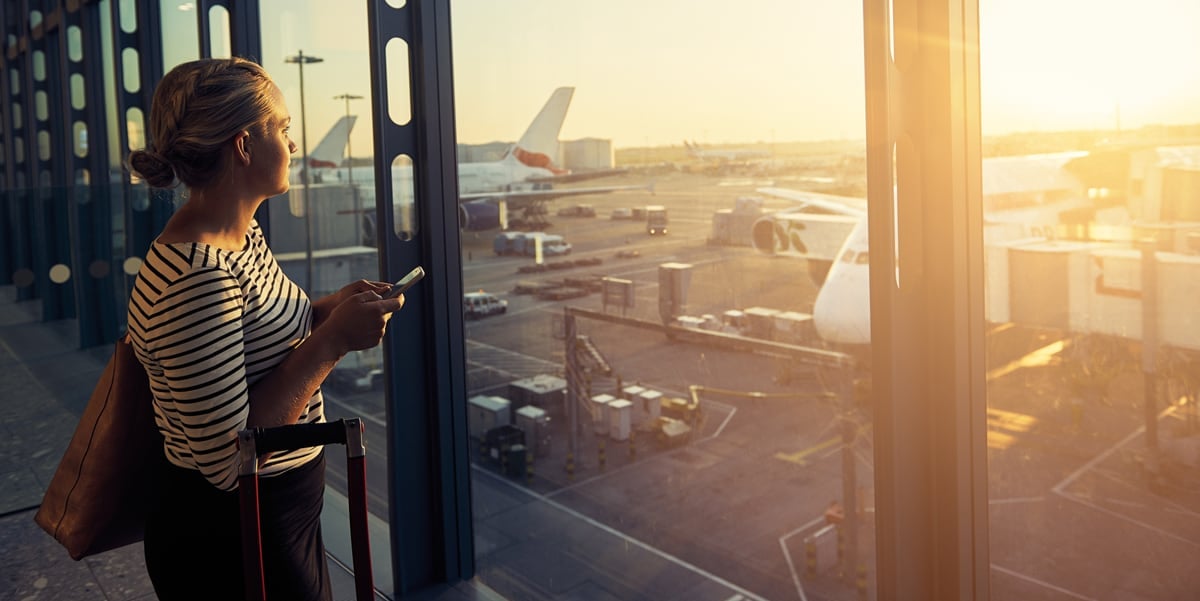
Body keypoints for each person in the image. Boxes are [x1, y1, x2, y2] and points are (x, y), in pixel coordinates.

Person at [125, 57, 402, 601]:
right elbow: (231, 460)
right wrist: (334, 340)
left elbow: (250, 337)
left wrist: (330, 310)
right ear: (244, 146)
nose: (294, 146)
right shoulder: (198, 275)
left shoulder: (239, 236)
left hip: (277, 518)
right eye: (283, 128)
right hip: (232, 540)